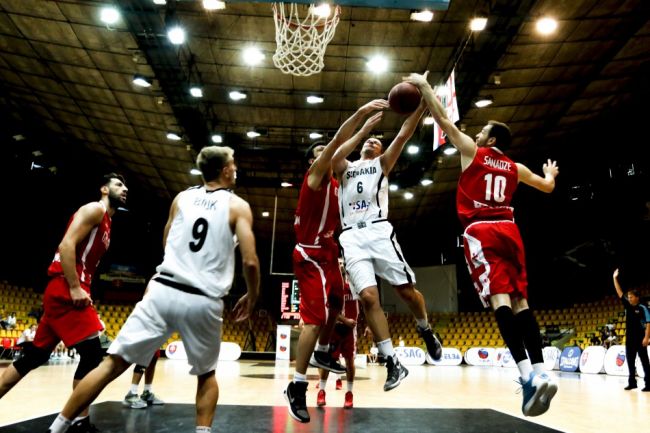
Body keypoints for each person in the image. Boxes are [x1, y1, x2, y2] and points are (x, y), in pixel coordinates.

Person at [46, 146, 260, 433]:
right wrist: (253, 295)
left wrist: (178, 266)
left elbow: (168, 239)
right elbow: (250, 260)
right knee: (207, 375)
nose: (236, 169)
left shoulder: (182, 198)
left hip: (163, 289)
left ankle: (58, 427)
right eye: (233, 164)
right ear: (224, 170)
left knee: (110, 365)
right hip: (203, 299)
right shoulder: (238, 206)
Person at [405, 71, 559, 417]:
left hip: (482, 231)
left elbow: (443, 120)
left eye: (482, 131)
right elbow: (548, 188)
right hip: (510, 229)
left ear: (490, 138)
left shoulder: (473, 151)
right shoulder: (515, 167)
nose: (476, 133)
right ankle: (541, 371)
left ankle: (527, 378)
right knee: (521, 302)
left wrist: (425, 87)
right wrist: (551, 174)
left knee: (499, 301)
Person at [0, 173, 128, 433]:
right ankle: (79, 422)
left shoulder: (107, 224)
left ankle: (78, 420)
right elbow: (66, 244)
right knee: (93, 356)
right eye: (118, 184)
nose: (124, 189)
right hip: (65, 289)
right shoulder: (94, 209)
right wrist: (74, 287)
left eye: (125, 186)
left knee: (35, 355)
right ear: (103, 189)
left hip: (66, 291)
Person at [284, 99, 386, 424]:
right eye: (319, 153)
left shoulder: (337, 184)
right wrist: (363, 120)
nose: (324, 155)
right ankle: (297, 386)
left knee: (338, 300)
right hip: (310, 253)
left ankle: (323, 352)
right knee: (314, 320)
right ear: (313, 161)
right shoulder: (314, 177)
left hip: (329, 251)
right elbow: (338, 143)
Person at [332, 96, 442, 393]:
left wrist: (422, 104)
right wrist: (363, 125)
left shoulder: (382, 163)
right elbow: (335, 151)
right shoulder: (343, 167)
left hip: (379, 231)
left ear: (382, 151)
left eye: (376, 142)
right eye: (368, 141)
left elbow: (404, 132)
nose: (371, 143)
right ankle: (393, 361)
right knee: (367, 298)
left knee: (405, 292)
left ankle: (425, 329)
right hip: (351, 235)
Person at [317, 264, 359, 409]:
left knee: (349, 362)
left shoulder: (353, 287)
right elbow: (330, 310)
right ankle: (321, 391)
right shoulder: (331, 290)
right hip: (334, 328)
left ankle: (349, 393)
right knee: (327, 362)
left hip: (350, 331)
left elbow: (366, 303)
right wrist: (345, 320)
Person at [613, 268, 650, 391]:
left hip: (641, 340)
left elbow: (649, 323)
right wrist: (614, 278)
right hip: (630, 340)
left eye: (631, 296)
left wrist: (646, 337)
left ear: (637, 297)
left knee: (645, 362)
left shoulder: (643, 308)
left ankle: (649, 383)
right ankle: (632, 383)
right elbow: (619, 292)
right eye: (628, 296)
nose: (629, 298)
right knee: (630, 362)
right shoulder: (628, 306)